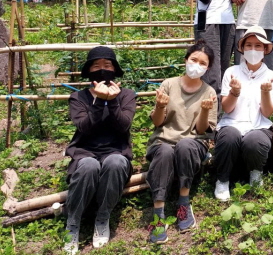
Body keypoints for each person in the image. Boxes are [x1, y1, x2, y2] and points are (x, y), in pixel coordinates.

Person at [63, 46, 136, 254]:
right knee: (89, 165)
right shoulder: (78, 98)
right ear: (89, 71)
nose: (102, 70)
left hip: (116, 151)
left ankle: (102, 217)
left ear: (114, 70)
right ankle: (73, 222)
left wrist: (112, 102)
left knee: (115, 163)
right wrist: (98, 102)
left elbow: (123, 125)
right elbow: (84, 127)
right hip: (85, 152)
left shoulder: (127, 95)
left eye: (107, 65)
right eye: (96, 66)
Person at [145, 40, 217, 243]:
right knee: (166, 151)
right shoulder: (168, 84)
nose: (197, 65)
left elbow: (202, 130)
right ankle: (158, 213)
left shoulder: (209, 92)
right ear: (185, 60)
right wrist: (159, 107)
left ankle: (183, 203)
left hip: (193, 142)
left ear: (207, 67)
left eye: (202, 63)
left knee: (185, 145)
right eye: (194, 59)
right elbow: (158, 123)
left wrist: (204, 110)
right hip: (164, 140)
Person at [213, 26, 273, 201]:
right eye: (249, 45)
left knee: (255, 140)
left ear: (265, 50)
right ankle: (222, 179)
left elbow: (267, 113)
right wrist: (234, 92)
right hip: (231, 123)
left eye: (258, 46)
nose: (253, 50)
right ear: (242, 49)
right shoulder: (231, 72)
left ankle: (256, 173)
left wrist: (265, 92)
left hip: (259, 125)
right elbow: (227, 108)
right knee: (228, 136)